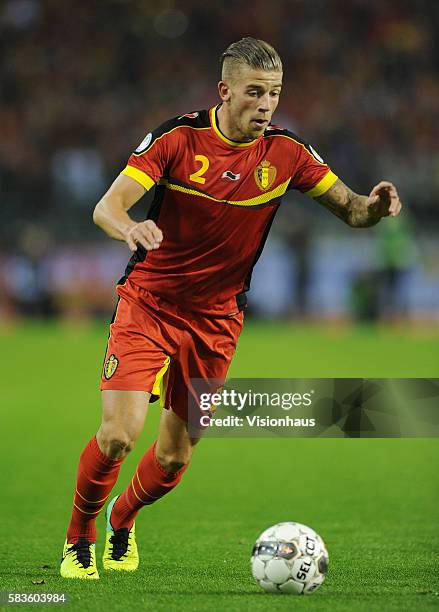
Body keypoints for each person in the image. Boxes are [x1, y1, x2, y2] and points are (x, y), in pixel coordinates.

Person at [60, 37, 402, 579]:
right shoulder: (178, 139)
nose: (266, 105)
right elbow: (109, 206)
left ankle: (122, 520)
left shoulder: (287, 152)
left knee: (173, 459)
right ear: (225, 91)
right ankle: (79, 537)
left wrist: (375, 208)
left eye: (275, 94)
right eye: (254, 93)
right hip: (150, 303)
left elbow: (352, 211)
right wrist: (131, 227)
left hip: (217, 320)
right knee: (119, 435)